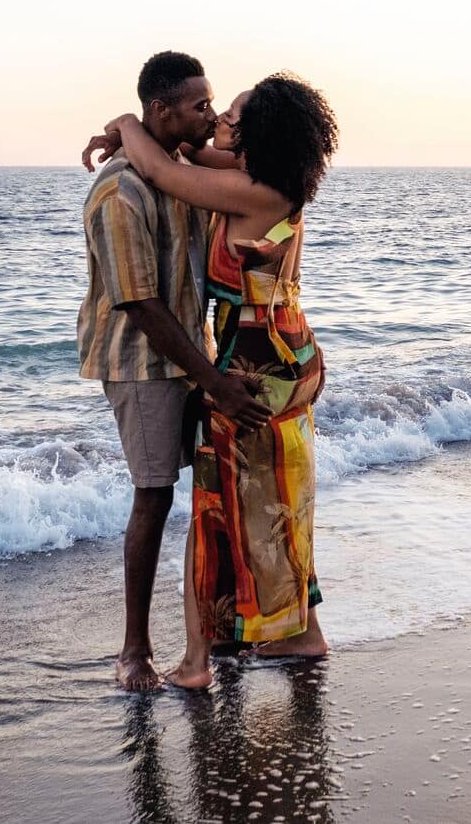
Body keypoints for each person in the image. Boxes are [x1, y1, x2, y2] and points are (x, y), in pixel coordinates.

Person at [88, 73, 338, 690]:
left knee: (214, 506)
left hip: (252, 360)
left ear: (256, 137)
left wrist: (124, 123)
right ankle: (299, 633)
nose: (220, 122)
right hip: (288, 350)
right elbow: (185, 155)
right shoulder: (276, 180)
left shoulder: (252, 189)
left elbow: (171, 174)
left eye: (229, 116)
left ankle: (197, 663)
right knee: (280, 501)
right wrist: (144, 130)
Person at [77, 51, 272, 693]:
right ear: (161, 111)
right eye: (199, 106)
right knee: (155, 496)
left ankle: (218, 631)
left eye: (214, 105)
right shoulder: (119, 189)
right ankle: (134, 650)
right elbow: (140, 304)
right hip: (146, 365)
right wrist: (213, 382)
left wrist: (120, 124)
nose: (211, 116)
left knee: (208, 494)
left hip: (193, 358)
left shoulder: (177, 169)